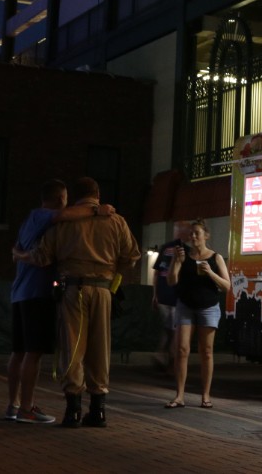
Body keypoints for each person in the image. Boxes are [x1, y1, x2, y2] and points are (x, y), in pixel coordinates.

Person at [14, 176, 140, 428]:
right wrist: (111, 269)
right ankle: (98, 409)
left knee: (72, 348)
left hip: (72, 290)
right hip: (104, 290)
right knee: (100, 348)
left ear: (73, 196)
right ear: (98, 194)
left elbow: (42, 257)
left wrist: (19, 255)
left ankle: (72, 410)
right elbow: (131, 257)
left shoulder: (63, 224)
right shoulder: (116, 221)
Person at [164, 218, 231, 409]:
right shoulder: (183, 256)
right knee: (182, 350)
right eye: (191, 234)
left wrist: (210, 272)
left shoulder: (215, 257)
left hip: (208, 307)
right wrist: (176, 262)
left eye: (197, 233)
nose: (193, 237)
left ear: (206, 236)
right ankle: (179, 396)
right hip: (185, 306)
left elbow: (227, 286)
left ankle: (206, 396)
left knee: (206, 352)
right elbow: (171, 281)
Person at [151, 221, 189, 373]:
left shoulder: (186, 250)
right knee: (172, 329)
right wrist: (155, 295)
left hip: (175, 297)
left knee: (171, 329)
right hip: (168, 297)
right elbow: (157, 272)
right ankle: (168, 359)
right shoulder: (168, 248)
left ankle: (164, 356)